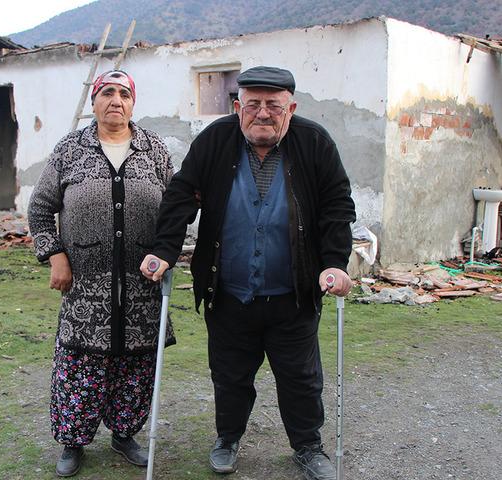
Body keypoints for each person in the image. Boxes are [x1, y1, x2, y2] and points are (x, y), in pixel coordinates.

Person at [140, 66, 355, 480]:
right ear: (238, 107)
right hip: (229, 290)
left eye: (273, 105)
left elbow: (336, 207)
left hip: (293, 294)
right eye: (252, 104)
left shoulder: (314, 142)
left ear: (290, 108)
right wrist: (163, 251)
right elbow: (181, 194)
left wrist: (334, 263)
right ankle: (228, 437)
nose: (262, 114)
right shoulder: (217, 141)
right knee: (230, 375)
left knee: (301, 378)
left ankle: (308, 446)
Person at [29, 70, 175, 477]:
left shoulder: (153, 149)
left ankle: (125, 435)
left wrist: (167, 252)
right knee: (79, 366)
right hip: (86, 284)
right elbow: (40, 209)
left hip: (141, 284)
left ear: (133, 102)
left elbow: (177, 208)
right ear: (94, 102)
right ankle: (72, 442)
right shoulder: (71, 149)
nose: (116, 100)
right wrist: (55, 254)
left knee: (136, 365)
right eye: (107, 92)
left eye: (124, 93)